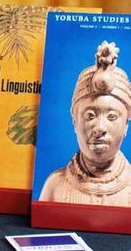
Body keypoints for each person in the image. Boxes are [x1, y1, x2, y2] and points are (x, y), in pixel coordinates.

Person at [38, 41, 131, 206]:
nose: (99, 128)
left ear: (126, 125)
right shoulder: (55, 186)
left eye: (112, 116)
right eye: (90, 116)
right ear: (75, 121)